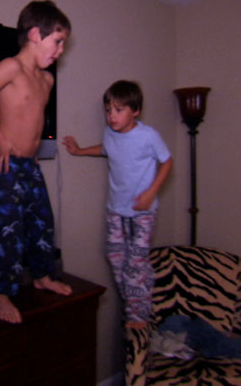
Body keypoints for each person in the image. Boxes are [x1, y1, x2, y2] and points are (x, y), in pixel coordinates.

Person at [0, 0, 73, 324]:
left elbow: (32, 118)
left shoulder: (47, 80)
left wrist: (34, 148)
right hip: (5, 162)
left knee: (42, 221)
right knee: (7, 227)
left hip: (29, 164)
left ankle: (42, 275)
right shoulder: (10, 67)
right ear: (36, 34)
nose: (61, 50)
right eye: (58, 41)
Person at [62, 80, 172, 329]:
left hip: (142, 212)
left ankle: (138, 316)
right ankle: (138, 296)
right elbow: (106, 149)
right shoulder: (110, 133)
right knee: (114, 256)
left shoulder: (148, 136)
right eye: (108, 110)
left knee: (135, 264)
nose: (112, 116)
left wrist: (151, 192)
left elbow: (167, 162)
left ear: (136, 110)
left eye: (119, 110)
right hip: (116, 210)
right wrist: (79, 151)